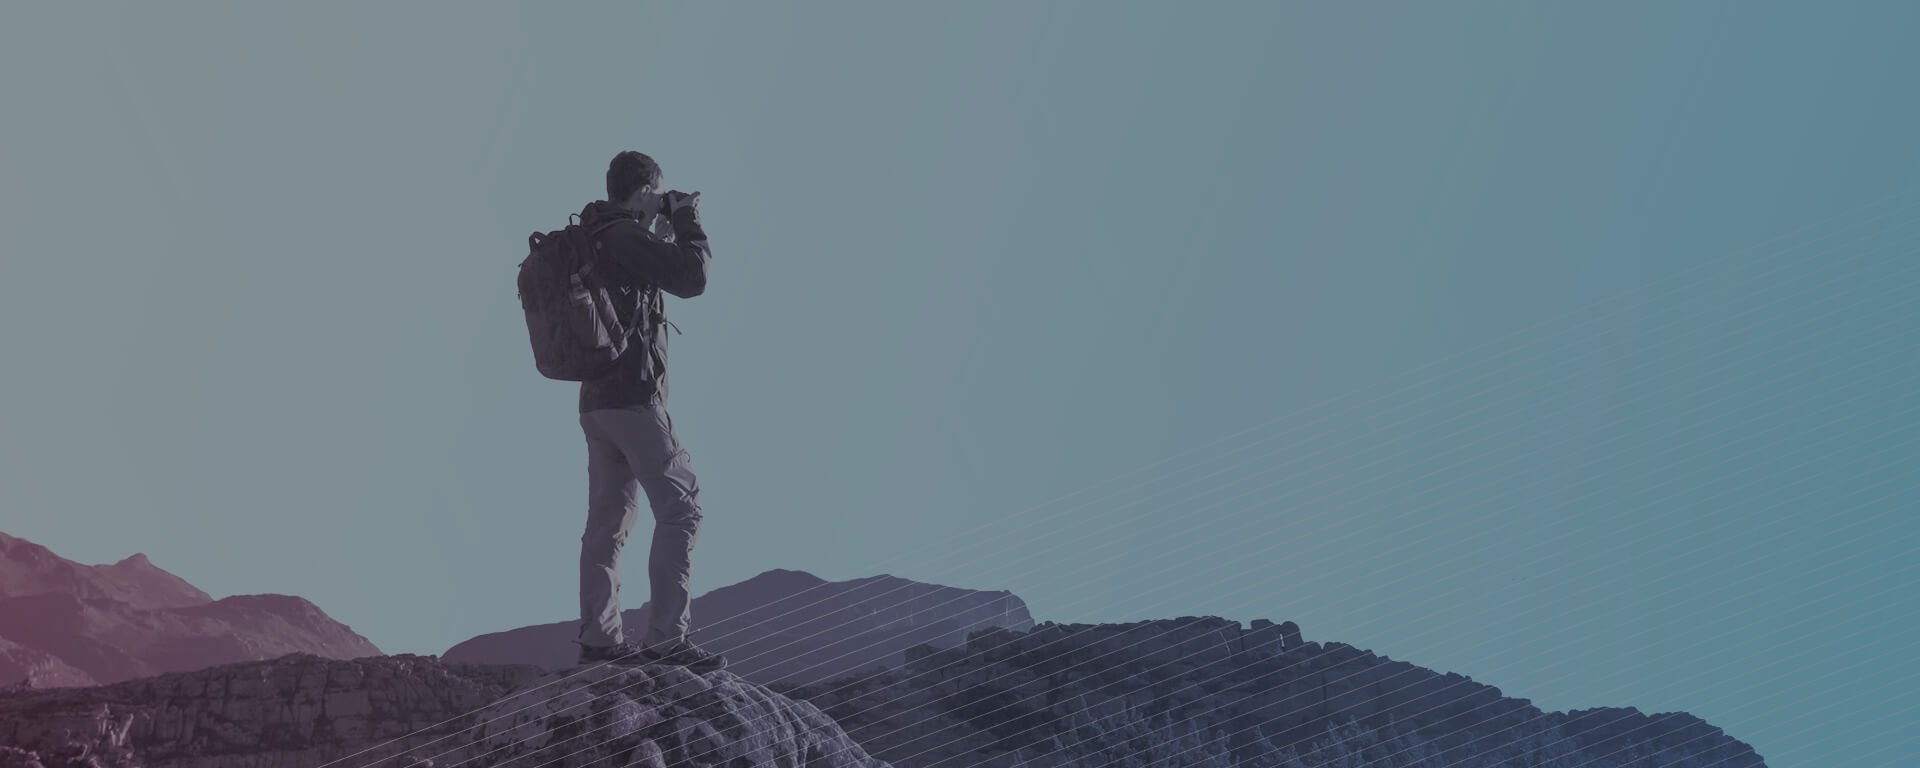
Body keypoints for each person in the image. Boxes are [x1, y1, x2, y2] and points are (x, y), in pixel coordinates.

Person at [571, 150, 725, 672]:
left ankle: (599, 639)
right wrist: (686, 220)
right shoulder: (621, 235)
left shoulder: (598, 235)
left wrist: (658, 225)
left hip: (595, 404)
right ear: (643, 192)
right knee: (683, 509)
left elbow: (644, 277)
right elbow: (691, 278)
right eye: (656, 195)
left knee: (608, 523)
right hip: (633, 399)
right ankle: (667, 641)